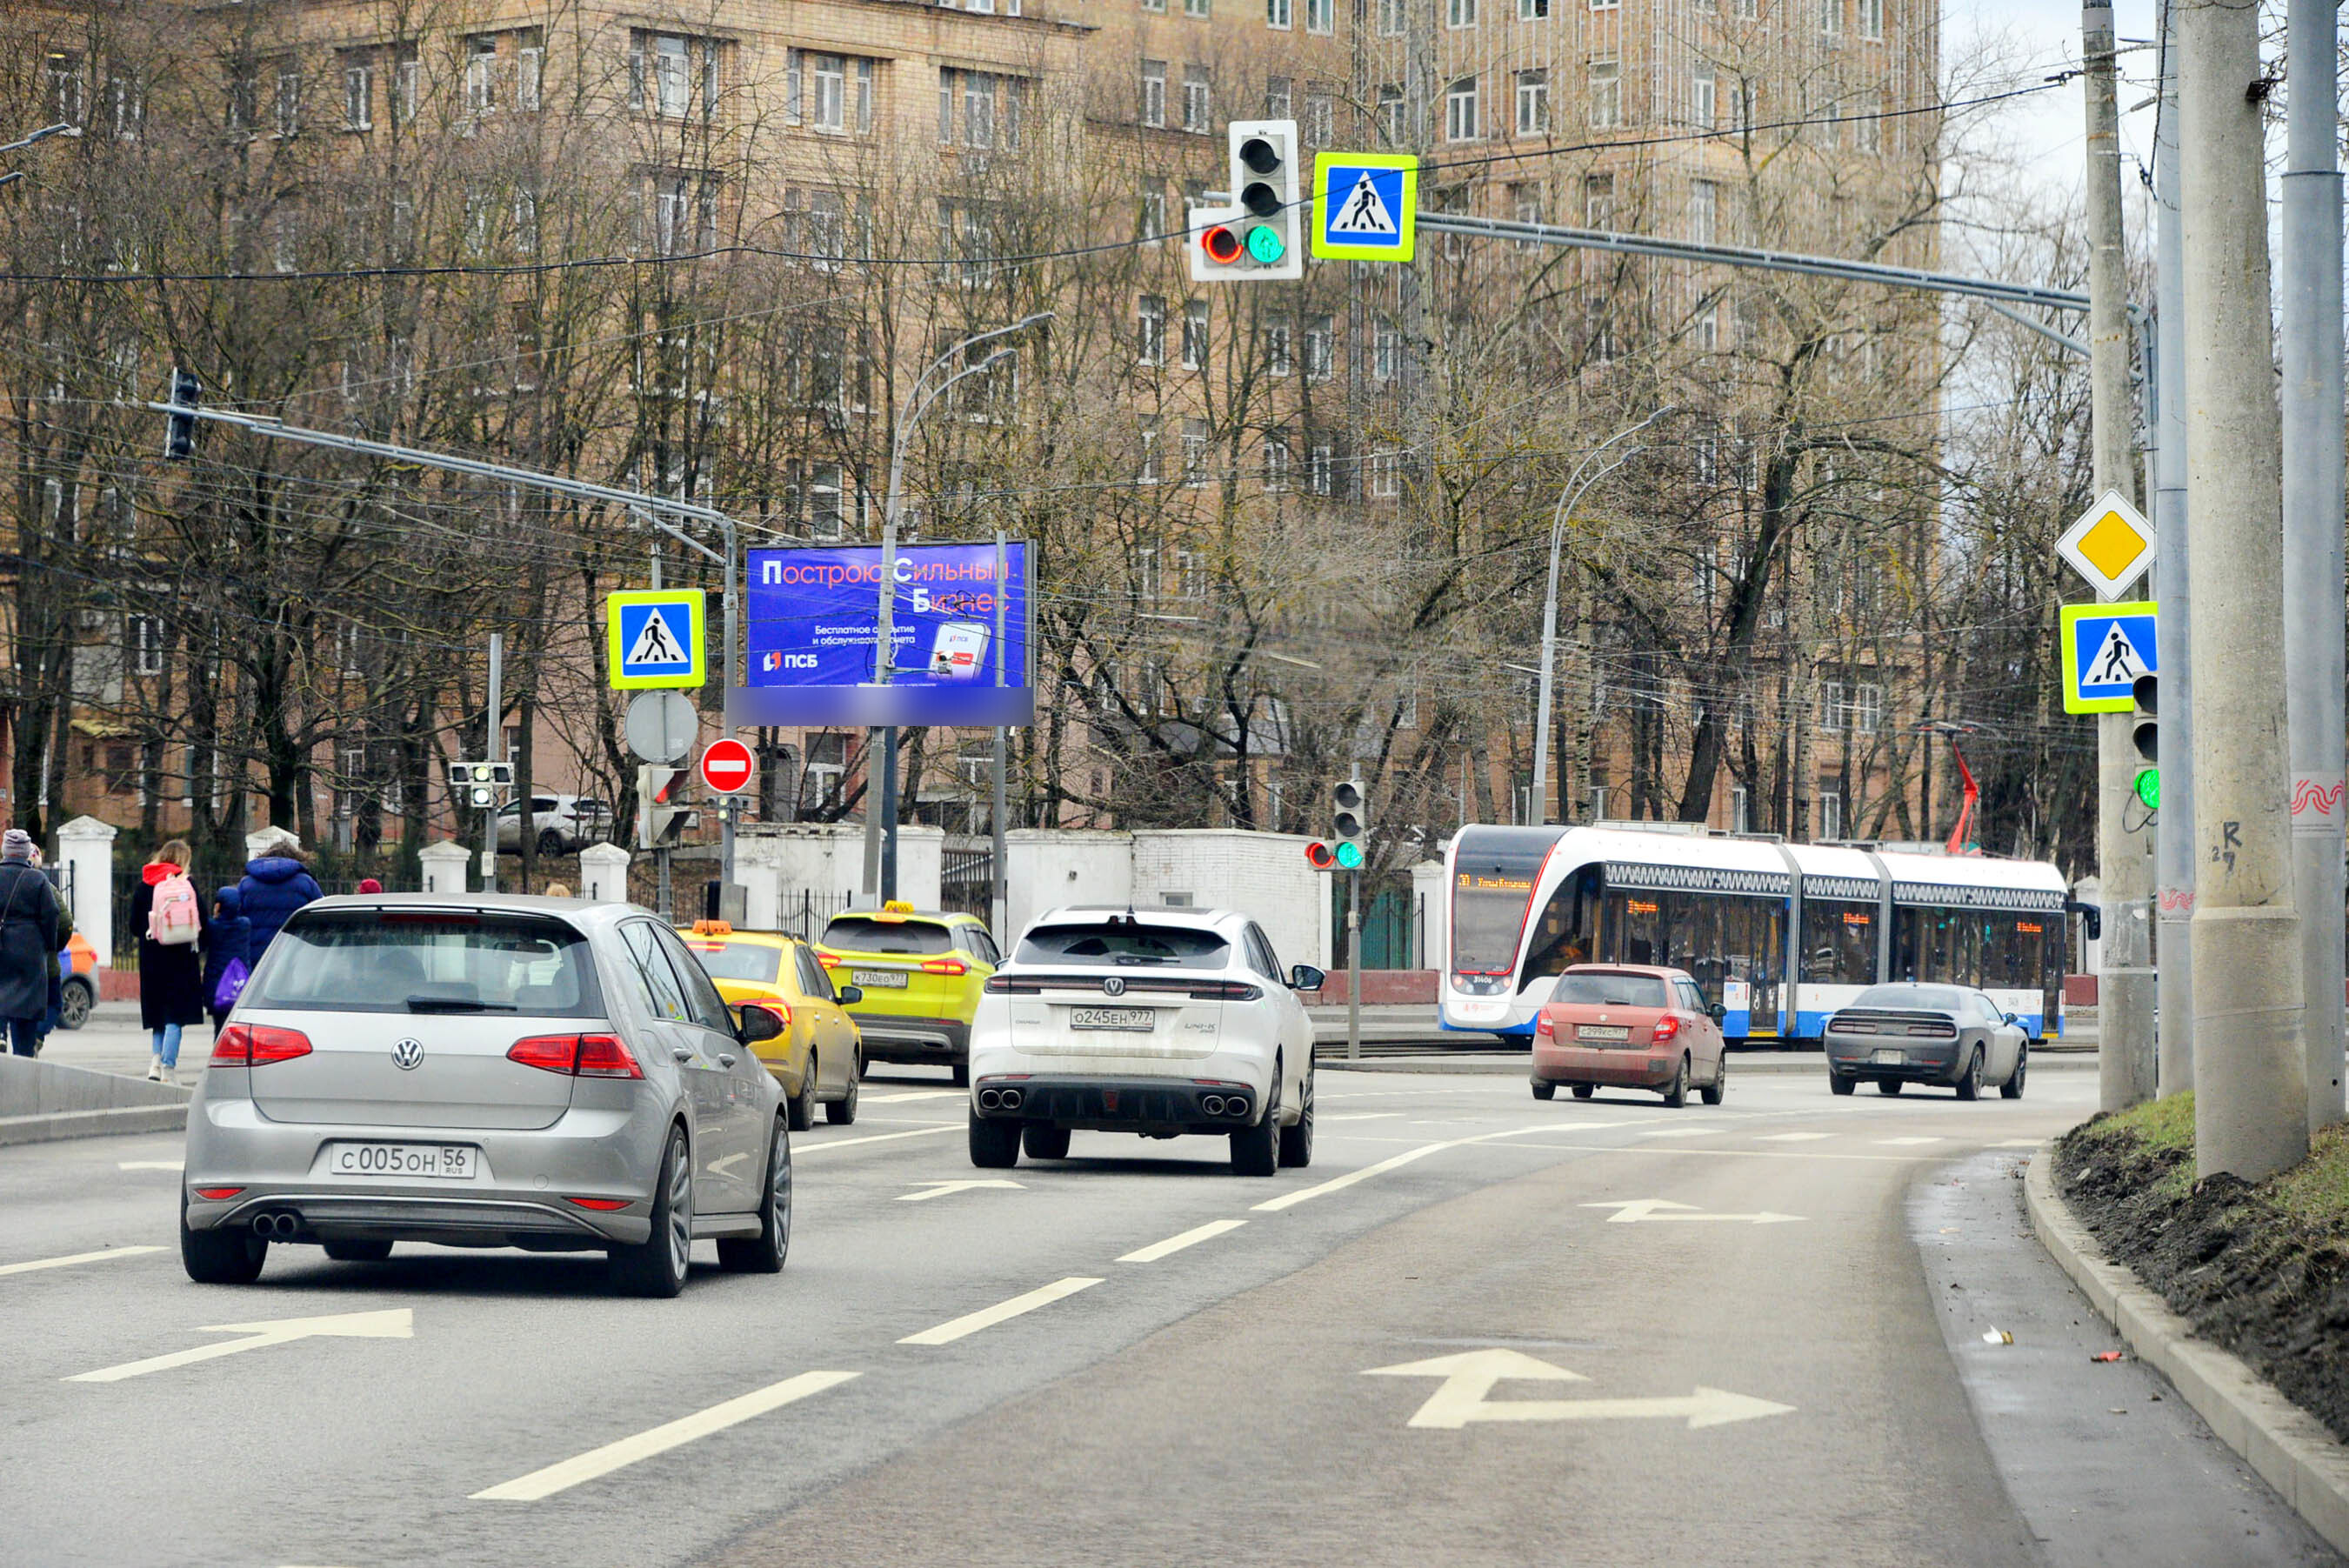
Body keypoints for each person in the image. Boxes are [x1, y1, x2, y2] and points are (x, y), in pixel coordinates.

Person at [131, 839, 209, 1084]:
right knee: (176, 1015)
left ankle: (155, 1063)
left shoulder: (145, 885)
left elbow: (134, 925)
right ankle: (168, 1068)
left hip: (152, 959)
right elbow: (203, 922)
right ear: (182, 859)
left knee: (158, 1014)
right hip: (182, 958)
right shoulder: (187, 884)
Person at [0, 830, 62, 1058]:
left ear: (5, 851)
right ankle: (23, 1057)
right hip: (29, 951)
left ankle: (0, 1035)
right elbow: (52, 913)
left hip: (1, 946)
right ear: (26, 852)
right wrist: (48, 943)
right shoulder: (37, 879)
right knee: (25, 1010)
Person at [237, 834, 324, 964]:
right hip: (295, 952)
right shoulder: (306, 883)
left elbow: (237, 918)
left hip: (256, 954)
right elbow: (321, 916)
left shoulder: (246, 884)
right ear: (296, 858)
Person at [202, 885, 251, 1037]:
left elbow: (203, 944)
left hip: (217, 985)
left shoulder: (212, 927)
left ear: (218, 906)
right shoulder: (245, 925)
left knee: (219, 1026)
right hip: (240, 983)